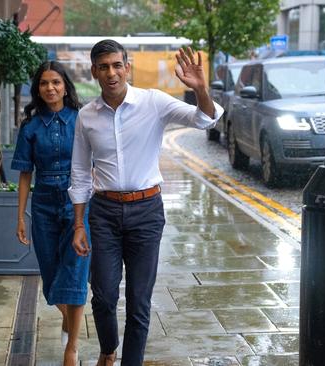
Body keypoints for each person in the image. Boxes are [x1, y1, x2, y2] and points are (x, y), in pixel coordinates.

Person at [68, 40, 224, 365]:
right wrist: (78, 224)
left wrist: (201, 89)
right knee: (104, 297)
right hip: (104, 213)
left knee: (139, 301)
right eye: (104, 67)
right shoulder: (87, 116)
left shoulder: (153, 102)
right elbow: (81, 173)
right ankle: (108, 349)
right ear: (94, 71)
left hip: (146, 212)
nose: (112, 73)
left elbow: (205, 120)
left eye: (117, 65)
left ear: (128, 67)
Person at [11, 60, 89, 365]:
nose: (50, 88)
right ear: (37, 88)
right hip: (42, 204)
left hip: (77, 203)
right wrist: (20, 217)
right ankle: (70, 320)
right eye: (44, 83)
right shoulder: (30, 127)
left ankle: (72, 347)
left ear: (65, 86)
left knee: (76, 271)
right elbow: (25, 175)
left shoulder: (81, 119)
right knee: (52, 276)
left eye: (56, 82)